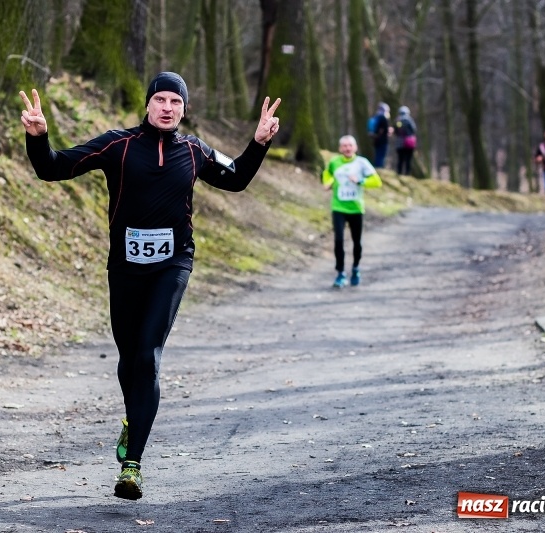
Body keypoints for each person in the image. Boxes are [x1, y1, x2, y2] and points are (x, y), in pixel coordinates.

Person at [20, 72, 281, 500]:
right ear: (147, 104)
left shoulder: (195, 150)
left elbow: (235, 177)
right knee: (128, 359)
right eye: (160, 99)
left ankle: (133, 465)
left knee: (148, 354)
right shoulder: (117, 145)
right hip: (125, 268)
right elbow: (53, 167)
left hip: (173, 264)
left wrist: (259, 143)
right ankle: (134, 419)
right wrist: (38, 137)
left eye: (175, 102)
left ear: (184, 109)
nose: (167, 107)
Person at [321, 135, 383, 289]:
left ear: (355, 147)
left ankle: (355, 268)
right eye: (344, 146)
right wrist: (327, 183)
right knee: (339, 241)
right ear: (340, 148)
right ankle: (340, 273)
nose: (347, 148)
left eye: (350, 145)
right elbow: (327, 174)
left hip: (356, 208)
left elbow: (377, 181)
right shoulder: (334, 162)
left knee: (357, 242)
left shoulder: (362, 163)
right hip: (338, 207)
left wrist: (361, 181)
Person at [394, 106, 417, 175]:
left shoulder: (398, 120)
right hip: (409, 143)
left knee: (400, 159)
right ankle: (407, 173)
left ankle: (399, 173)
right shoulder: (409, 120)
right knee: (408, 159)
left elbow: (396, 131)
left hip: (400, 143)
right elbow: (414, 129)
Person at [368, 102, 391, 168]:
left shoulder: (376, 117)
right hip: (382, 140)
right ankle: (379, 167)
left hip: (376, 139)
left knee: (377, 154)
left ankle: (377, 166)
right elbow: (386, 130)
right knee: (381, 155)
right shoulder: (383, 118)